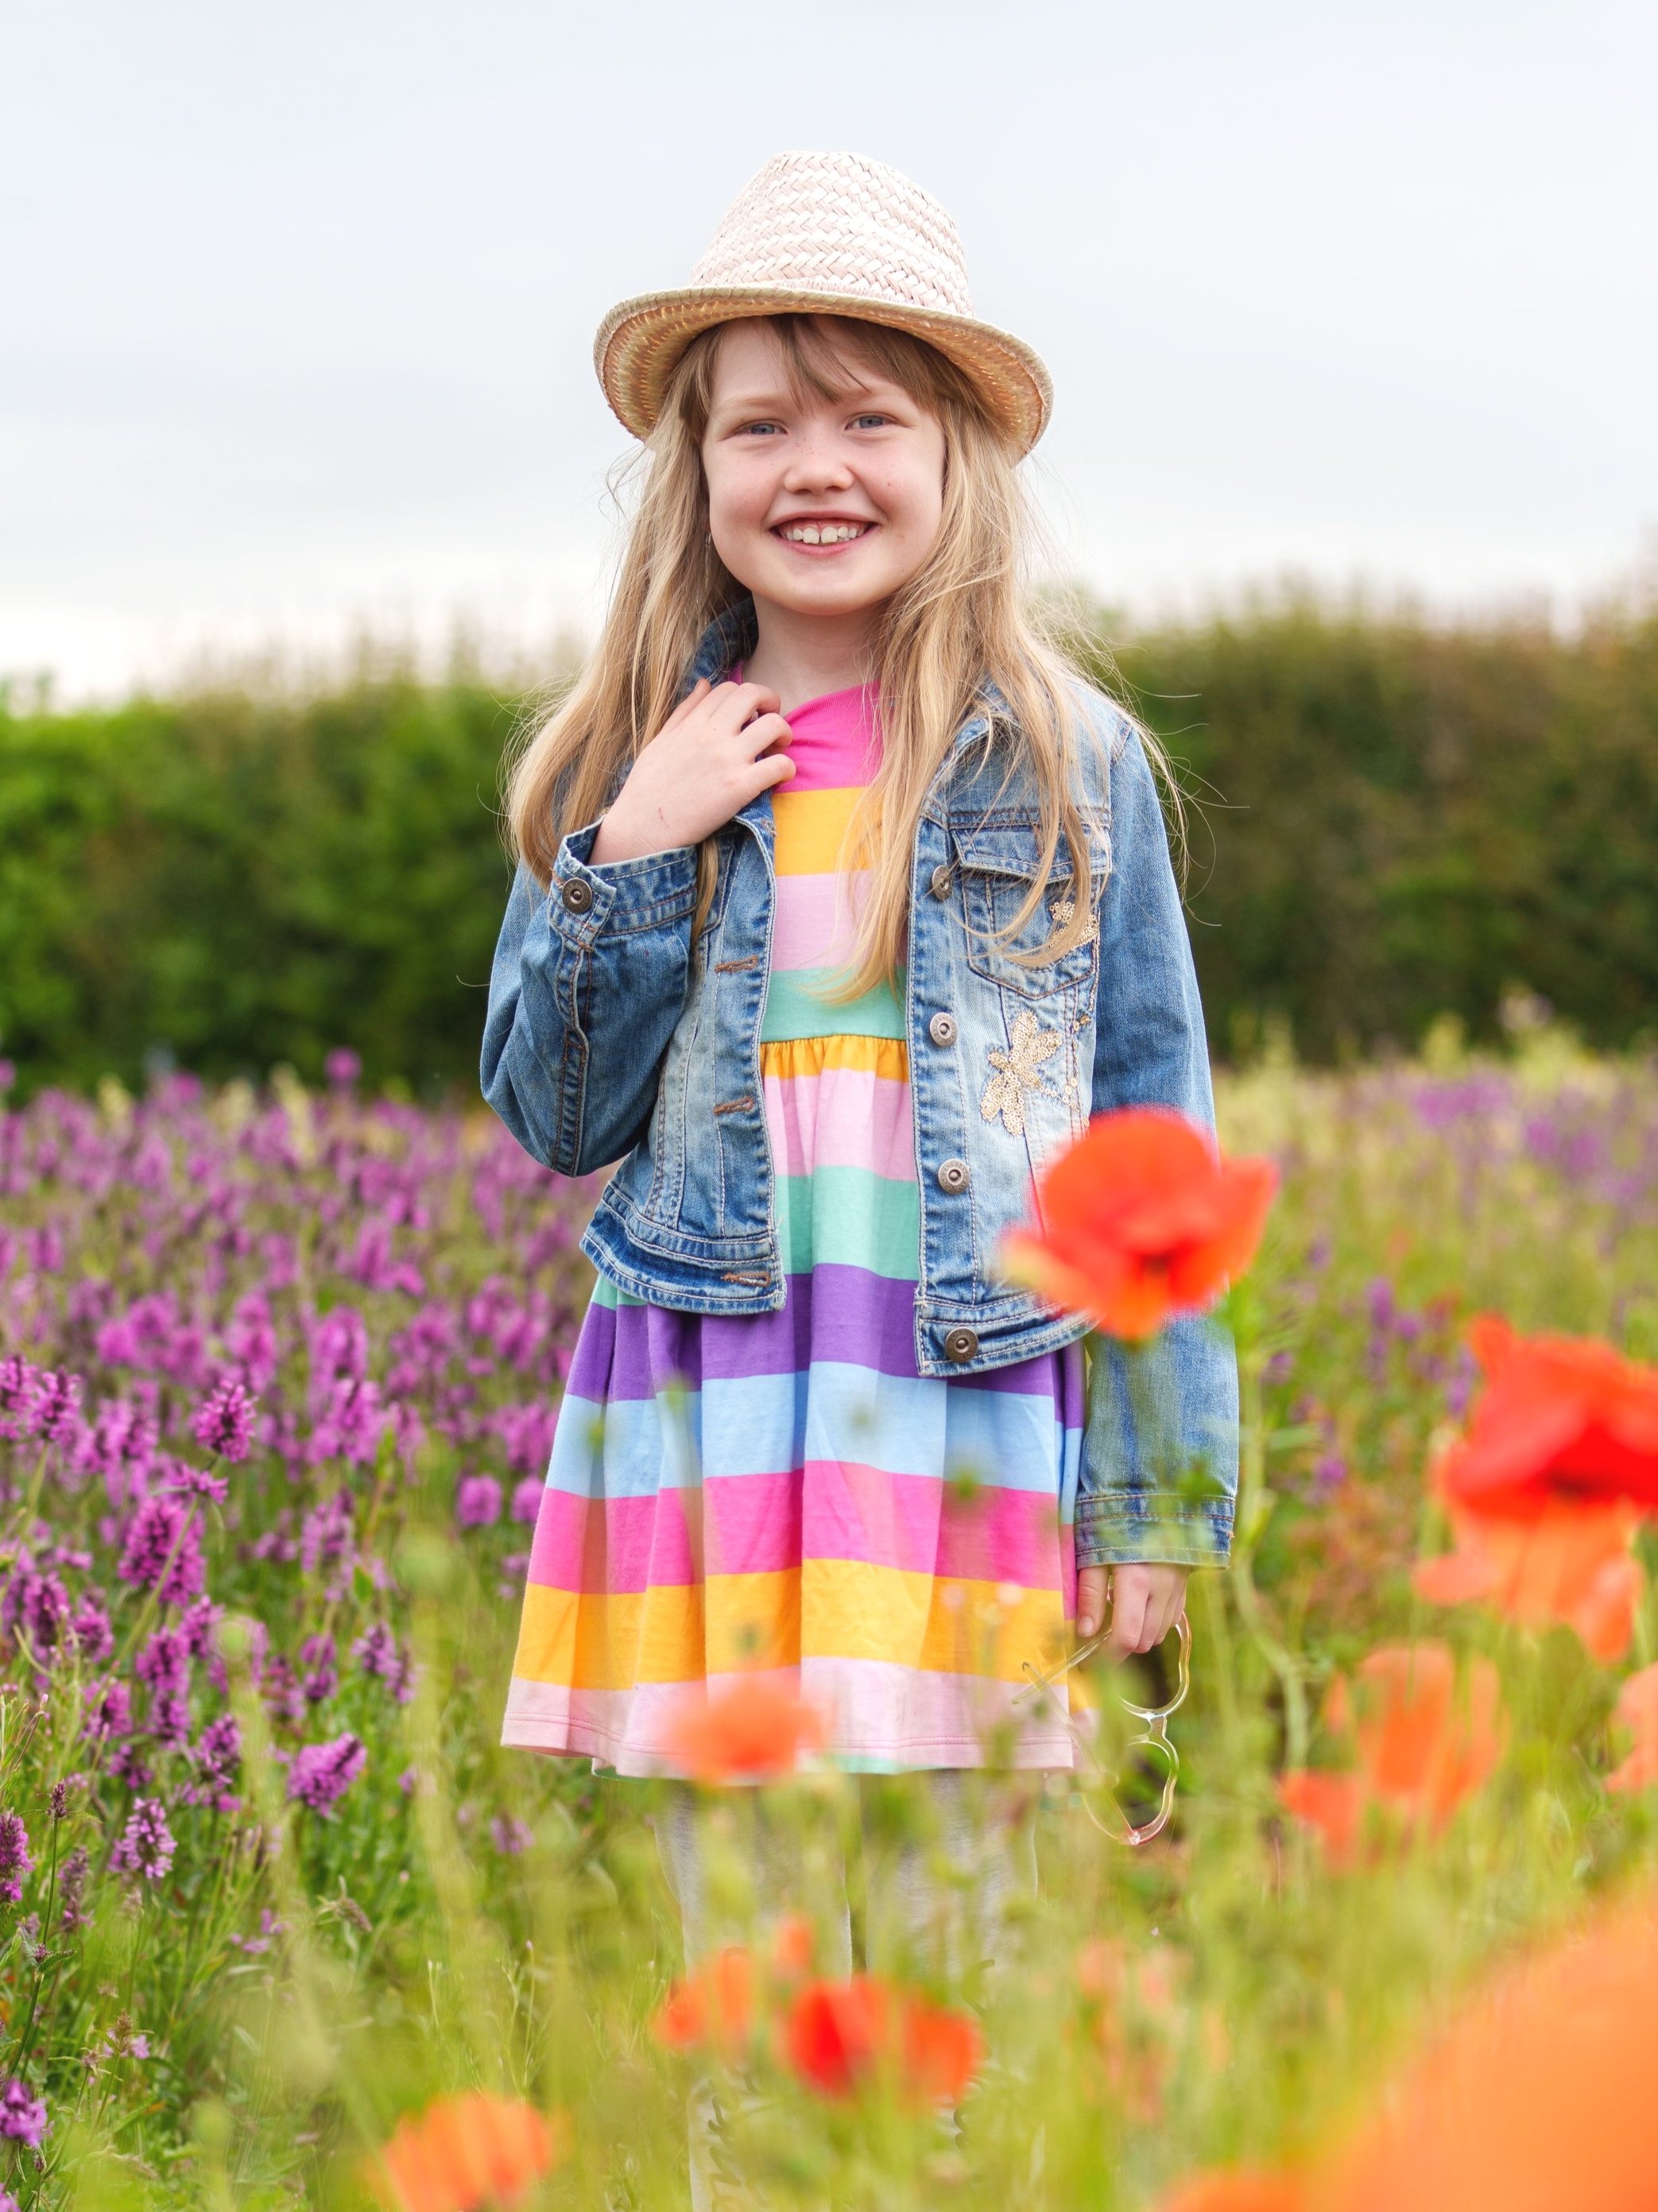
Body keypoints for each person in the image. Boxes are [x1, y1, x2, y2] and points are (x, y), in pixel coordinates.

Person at [482, 149, 1237, 2196]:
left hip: (972, 1428)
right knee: (748, 1989)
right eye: (761, 422)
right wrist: (628, 848)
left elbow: (1153, 1148)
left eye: (867, 413)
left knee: (969, 1979)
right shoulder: (632, 757)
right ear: (695, 471)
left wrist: (1152, 1496)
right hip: (719, 1434)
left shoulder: (1066, 758)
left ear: (959, 453)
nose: (815, 464)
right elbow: (554, 1119)